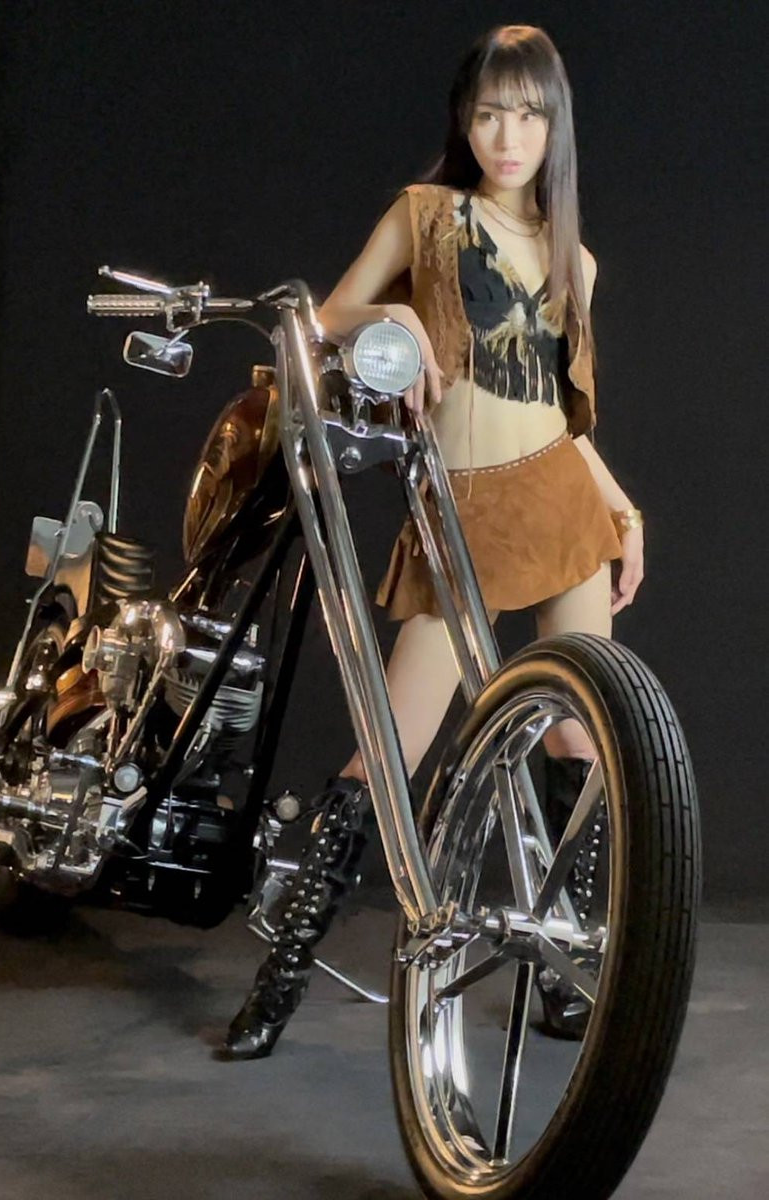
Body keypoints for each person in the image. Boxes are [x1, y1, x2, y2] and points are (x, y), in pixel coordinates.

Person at [220, 23, 644, 1060]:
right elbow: (327, 316)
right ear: (466, 120)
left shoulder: (572, 257)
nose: (508, 136)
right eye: (490, 113)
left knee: (577, 736)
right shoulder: (427, 215)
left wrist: (624, 508)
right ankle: (280, 978)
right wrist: (400, 324)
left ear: (555, 128)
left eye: (529, 115)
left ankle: (559, 963)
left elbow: (557, 418)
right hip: (460, 511)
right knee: (388, 754)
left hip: (559, 500)